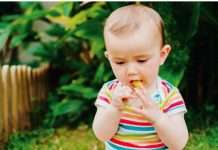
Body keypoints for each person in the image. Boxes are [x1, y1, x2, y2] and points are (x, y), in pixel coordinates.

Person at [92, 4, 188, 150]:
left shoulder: (168, 96)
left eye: (141, 60)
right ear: (109, 58)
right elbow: (102, 134)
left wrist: (158, 118)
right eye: (120, 62)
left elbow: (179, 143)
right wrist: (114, 108)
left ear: (162, 55)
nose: (131, 71)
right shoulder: (110, 93)